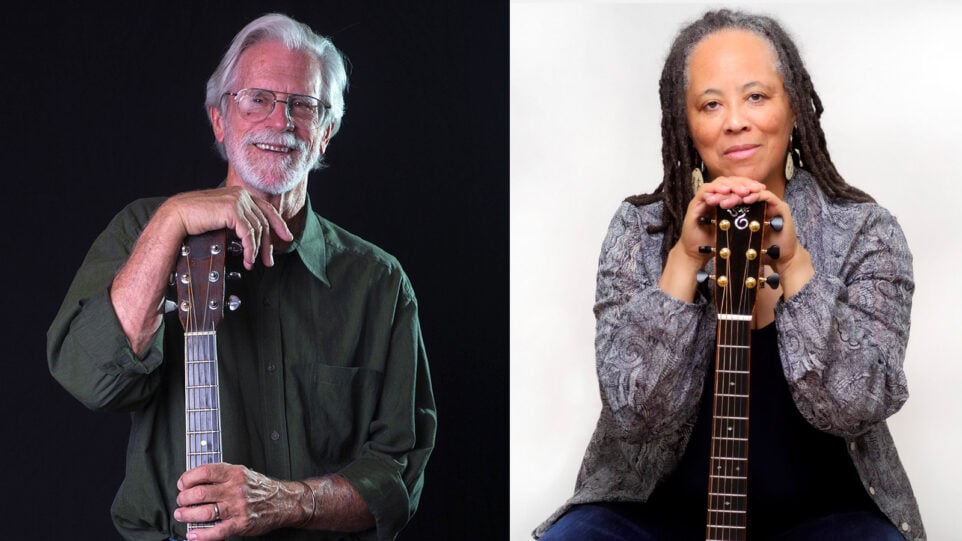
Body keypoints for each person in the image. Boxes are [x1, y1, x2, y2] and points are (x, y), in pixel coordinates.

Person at [533, 9, 924, 541]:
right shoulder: (640, 231)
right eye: (711, 103)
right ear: (686, 125)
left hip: (824, 513)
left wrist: (795, 266)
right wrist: (683, 261)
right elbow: (634, 414)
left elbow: (858, 405)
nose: (735, 120)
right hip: (657, 512)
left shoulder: (866, 232)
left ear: (793, 110)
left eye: (756, 96)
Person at [47, 13, 436, 541]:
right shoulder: (145, 231)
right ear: (218, 119)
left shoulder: (378, 283)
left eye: (304, 105)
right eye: (257, 99)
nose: (280, 122)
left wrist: (284, 502)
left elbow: (396, 478)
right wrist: (173, 221)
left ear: (325, 133)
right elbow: (88, 378)